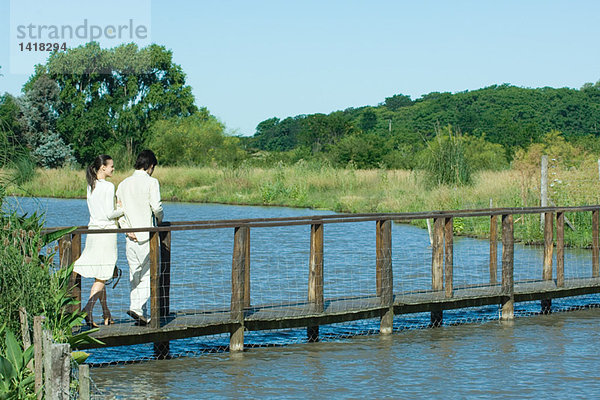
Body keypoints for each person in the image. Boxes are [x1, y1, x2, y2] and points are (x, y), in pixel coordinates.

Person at [74, 155, 124, 328]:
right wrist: (122, 208)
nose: (113, 169)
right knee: (103, 276)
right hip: (106, 233)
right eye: (111, 166)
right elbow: (110, 214)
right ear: (103, 167)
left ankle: (106, 312)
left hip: (93, 231)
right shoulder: (109, 186)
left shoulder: (91, 185)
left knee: (100, 275)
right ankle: (87, 310)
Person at [116, 150, 164, 325]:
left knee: (134, 273)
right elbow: (156, 207)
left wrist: (126, 228)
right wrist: (160, 219)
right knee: (151, 273)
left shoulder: (122, 184)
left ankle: (139, 311)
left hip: (130, 236)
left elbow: (119, 211)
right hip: (147, 236)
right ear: (150, 166)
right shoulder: (152, 182)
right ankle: (137, 308)